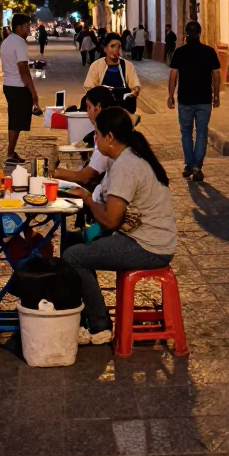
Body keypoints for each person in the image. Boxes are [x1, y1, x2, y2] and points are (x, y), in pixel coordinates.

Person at [63, 106, 178, 344]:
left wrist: (85, 198)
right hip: (143, 237)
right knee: (73, 240)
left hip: (148, 246)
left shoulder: (126, 166)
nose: (95, 139)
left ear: (110, 137)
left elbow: (111, 220)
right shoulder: (128, 157)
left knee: (73, 256)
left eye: (97, 133)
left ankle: (99, 326)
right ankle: (82, 313)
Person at [167, 20, 221, 181]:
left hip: (185, 99)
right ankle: (197, 166)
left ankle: (188, 165)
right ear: (200, 33)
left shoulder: (180, 52)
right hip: (204, 99)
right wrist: (216, 94)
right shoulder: (209, 52)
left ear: (185, 34)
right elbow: (216, 74)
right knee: (202, 133)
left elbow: (173, 75)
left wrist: (170, 95)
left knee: (186, 133)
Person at [0, 12, 40, 162]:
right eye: (26, 26)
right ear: (18, 27)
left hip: (8, 85)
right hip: (18, 86)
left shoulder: (7, 41)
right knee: (17, 121)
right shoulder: (19, 42)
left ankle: (11, 152)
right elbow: (23, 67)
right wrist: (33, 90)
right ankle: (10, 154)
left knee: (15, 119)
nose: (29, 30)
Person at [84, 34, 141, 114]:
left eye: (119, 47)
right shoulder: (96, 66)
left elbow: (135, 85)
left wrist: (135, 91)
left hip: (123, 111)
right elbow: (89, 87)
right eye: (112, 46)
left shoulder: (128, 65)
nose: (116, 50)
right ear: (105, 49)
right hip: (102, 111)